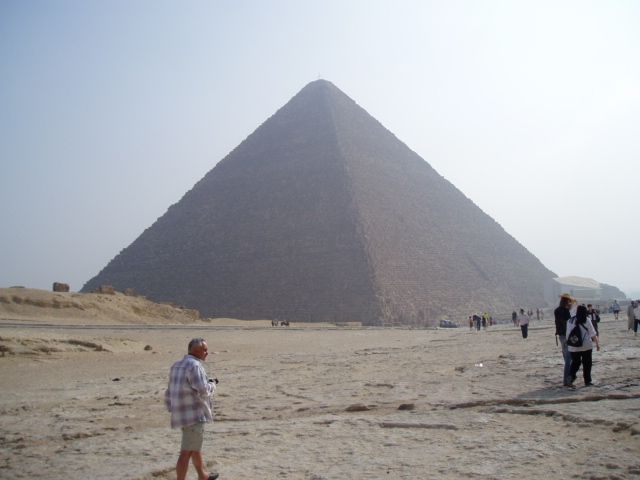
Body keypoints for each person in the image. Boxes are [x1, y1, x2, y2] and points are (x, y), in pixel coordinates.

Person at [165, 338, 219, 480]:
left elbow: (169, 391)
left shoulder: (176, 365)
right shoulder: (195, 366)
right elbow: (203, 390)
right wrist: (213, 385)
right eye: (205, 350)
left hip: (180, 413)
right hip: (194, 415)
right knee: (186, 452)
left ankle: (203, 476)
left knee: (194, 447)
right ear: (196, 350)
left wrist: (172, 407)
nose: (207, 353)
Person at [566, 305, 600, 387]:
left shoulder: (570, 321)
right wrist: (597, 344)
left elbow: (568, 335)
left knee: (575, 363)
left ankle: (570, 378)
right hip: (586, 346)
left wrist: (569, 344)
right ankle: (587, 381)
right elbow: (592, 333)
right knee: (587, 364)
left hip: (574, 347)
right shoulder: (587, 320)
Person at [554, 293, 574, 387]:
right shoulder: (565, 311)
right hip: (566, 335)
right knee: (569, 359)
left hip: (561, 335)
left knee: (567, 357)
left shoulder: (557, 310)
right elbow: (568, 323)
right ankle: (567, 380)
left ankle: (567, 379)